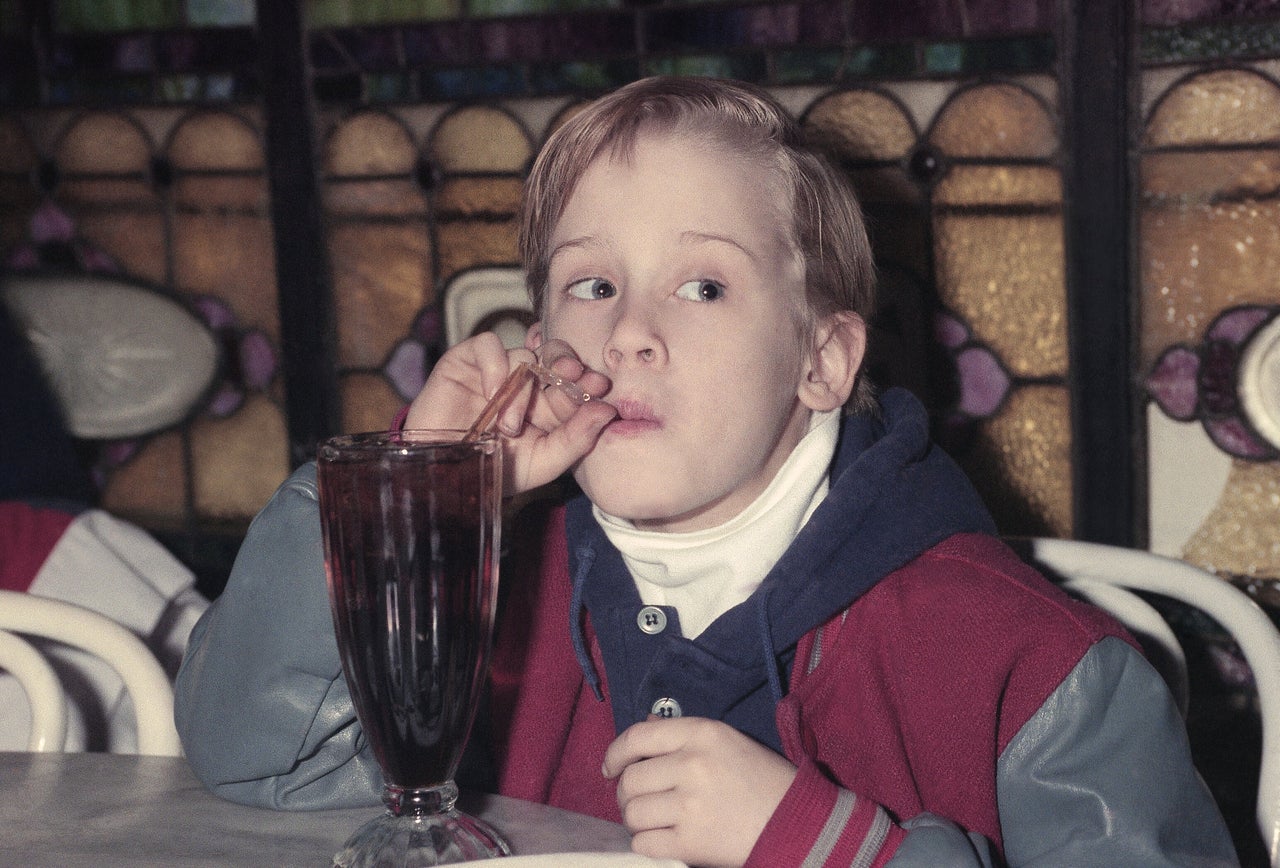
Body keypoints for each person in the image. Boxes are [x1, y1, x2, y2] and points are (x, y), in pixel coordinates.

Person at [175, 77, 1237, 866]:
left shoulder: (1031, 668)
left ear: (819, 360)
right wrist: (417, 494)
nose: (628, 332)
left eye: (700, 287)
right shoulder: (498, 583)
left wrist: (831, 849)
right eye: (590, 282)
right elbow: (263, 759)